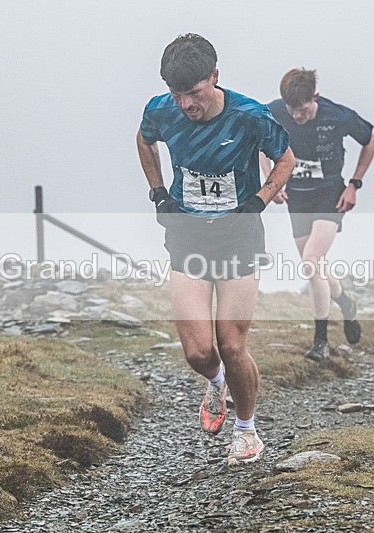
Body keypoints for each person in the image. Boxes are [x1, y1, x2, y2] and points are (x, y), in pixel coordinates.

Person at [136, 34, 294, 465]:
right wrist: (158, 193)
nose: (187, 104)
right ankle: (216, 382)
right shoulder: (160, 110)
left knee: (232, 344)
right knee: (199, 353)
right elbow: (144, 140)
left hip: (238, 237)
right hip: (188, 235)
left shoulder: (249, 115)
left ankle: (246, 431)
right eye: (177, 94)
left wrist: (258, 201)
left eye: (195, 92)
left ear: (215, 77)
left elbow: (286, 160)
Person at [261, 68, 374, 361]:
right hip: (297, 197)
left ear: (315, 96)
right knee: (316, 267)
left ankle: (320, 342)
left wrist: (354, 184)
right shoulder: (274, 112)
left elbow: (370, 141)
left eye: (302, 110)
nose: (297, 116)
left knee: (311, 261)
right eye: (292, 110)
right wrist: (273, 182)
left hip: (330, 195)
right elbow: (260, 144)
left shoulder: (336, 115)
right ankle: (346, 303)